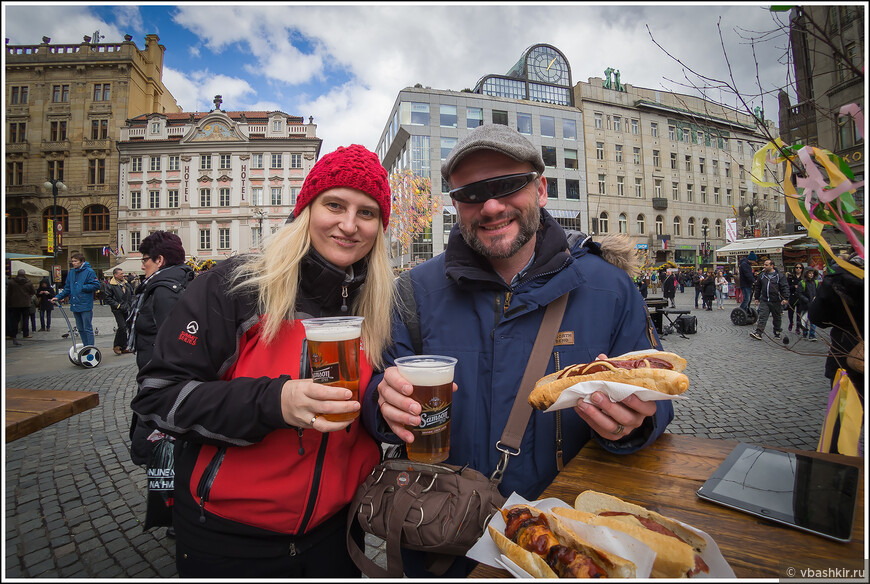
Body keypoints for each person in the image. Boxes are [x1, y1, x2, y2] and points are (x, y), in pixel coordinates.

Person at [364, 124, 673, 577]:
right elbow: (377, 392)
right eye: (472, 193)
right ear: (455, 204)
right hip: (445, 549)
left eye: (508, 185)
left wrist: (632, 427)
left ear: (541, 189)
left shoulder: (610, 288)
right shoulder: (412, 292)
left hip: (572, 547)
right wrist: (382, 406)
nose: (491, 205)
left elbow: (656, 392)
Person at [130, 145, 396, 578]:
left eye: (367, 213)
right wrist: (273, 402)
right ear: (306, 209)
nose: (349, 225)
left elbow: (368, 405)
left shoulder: (382, 305)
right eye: (334, 205)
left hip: (338, 536)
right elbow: (159, 398)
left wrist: (385, 408)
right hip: (230, 538)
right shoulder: (235, 286)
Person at [126, 232, 195, 465]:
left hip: (161, 382)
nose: (142, 264)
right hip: (159, 378)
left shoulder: (165, 290)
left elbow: (174, 343)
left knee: (156, 449)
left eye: (145, 258)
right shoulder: (171, 284)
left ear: (160, 260)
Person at [808, 254, 864, 398]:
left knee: (846, 412)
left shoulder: (837, 282)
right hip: (849, 350)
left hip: (847, 349)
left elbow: (817, 318)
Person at [53, 252, 101, 347]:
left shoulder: (89, 271)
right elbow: (67, 288)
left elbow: (96, 285)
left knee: (87, 327)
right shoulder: (71, 272)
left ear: (81, 261)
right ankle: (85, 345)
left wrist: (82, 287)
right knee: (80, 328)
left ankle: (90, 347)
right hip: (75, 303)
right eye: (72, 261)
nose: (73, 263)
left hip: (85, 303)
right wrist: (58, 297)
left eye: (75, 261)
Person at [748, 259, 790, 340]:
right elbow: (758, 287)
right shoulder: (762, 275)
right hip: (765, 300)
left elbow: (785, 287)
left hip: (776, 300)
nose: (764, 266)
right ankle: (758, 333)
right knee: (762, 317)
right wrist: (756, 297)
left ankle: (777, 332)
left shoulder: (779, 276)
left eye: (766, 265)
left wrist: (785, 298)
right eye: (764, 264)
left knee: (777, 318)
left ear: (772, 265)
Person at [103, 268, 134, 355]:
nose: (122, 275)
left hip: (126, 308)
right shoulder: (110, 285)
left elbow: (131, 294)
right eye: (120, 274)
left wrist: (131, 304)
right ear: (115, 275)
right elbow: (108, 298)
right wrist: (118, 305)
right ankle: (117, 345)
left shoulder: (126, 284)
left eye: (122, 273)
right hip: (117, 309)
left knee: (128, 326)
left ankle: (124, 346)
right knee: (122, 326)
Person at [6, 269, 35, 346]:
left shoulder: (12, 282)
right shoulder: (28, 283)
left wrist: (9, 303)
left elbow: (8, 293)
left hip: (15, 304)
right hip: (26, 303)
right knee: (25, 319)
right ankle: (26, 333)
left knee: (15, 320)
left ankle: (13, 335)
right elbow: (33, 292)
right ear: (24, 274)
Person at [796, 266, 819, 341]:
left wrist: (816, 297)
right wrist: (806, 300)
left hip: (813, 304)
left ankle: (812, 335)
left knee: (813, 321)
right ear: (806, 274)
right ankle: (805, 334)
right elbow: (799, 293)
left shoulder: (815, 282)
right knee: (804, 320)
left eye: (812, 273)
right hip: (805, 305)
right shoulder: (802, 283)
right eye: (809, 273)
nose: (811, 275)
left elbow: (818, 291)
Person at [786, 263, 804, 334]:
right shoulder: (791, 277)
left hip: (800, 297)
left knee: (799, 313)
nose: (798, 269)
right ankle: (791, 322)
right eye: (797, 267)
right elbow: (787, 286)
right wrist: (794, 286)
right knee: (790, 312)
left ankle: (798, 327)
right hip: (792, 296)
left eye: (800, 268)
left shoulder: (803, 277)